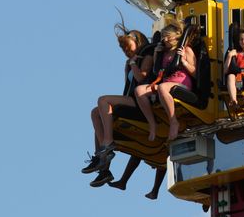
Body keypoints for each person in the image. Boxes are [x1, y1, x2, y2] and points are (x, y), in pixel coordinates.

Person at [82, 29, 154, 186]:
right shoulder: (130, 62)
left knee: (103, 100)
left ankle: (108, 144)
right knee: (97, 113)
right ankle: (103, 166)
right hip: (131, 98)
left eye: (128, 47)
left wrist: (134, 62)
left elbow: (141, 77)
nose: (126, 51)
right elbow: (127, 86)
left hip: (143, 100)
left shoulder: (147, 55)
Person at [135, 22, 197, 141]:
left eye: (168, 36)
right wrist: (156, 54)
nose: (165, 39)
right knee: (139, 90)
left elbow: (195, 72)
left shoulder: (186, 50)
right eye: (164, 36)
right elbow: (156, 71)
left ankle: (173, 121)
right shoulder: (163, 52)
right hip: (165, 82)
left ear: (176, 36)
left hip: (182, 83)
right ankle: (152, 124)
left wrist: (184, 61)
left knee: (163, 87)